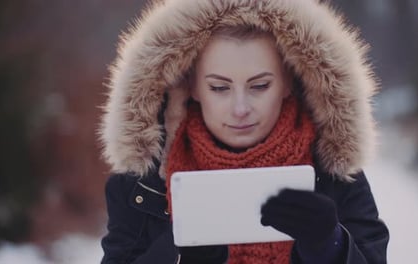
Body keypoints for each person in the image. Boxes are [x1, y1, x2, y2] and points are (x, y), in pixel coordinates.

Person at [99, 0, 389, 263]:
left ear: (289, 81)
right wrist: (178, 255)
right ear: (193, 86)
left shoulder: (334, 176)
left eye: (260, 86)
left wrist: (332, 247)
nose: (240, 109)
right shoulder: (143, 184)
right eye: (220, 88)